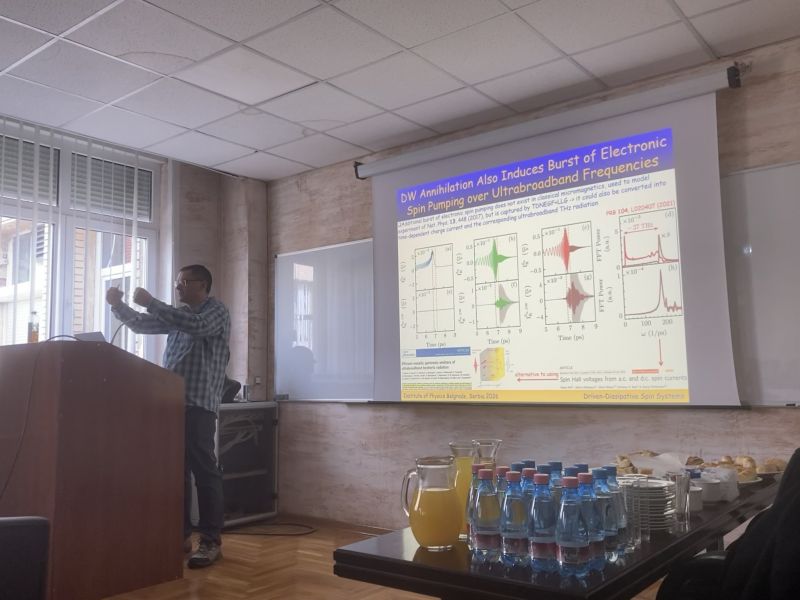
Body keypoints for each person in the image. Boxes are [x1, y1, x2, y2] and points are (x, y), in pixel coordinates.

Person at [106, 264, 230, 569]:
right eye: (177, 282)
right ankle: (180, 535)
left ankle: (211, 541)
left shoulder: (215, 311)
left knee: (205, 473)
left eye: (183, 282)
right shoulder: (178, 315)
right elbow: (141, 325)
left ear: (202, 285)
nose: (177, 287)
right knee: (177, 473)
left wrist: (151, 301)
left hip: (199, 405)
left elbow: (196, 326)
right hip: (172, 404)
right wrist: (117, 305)